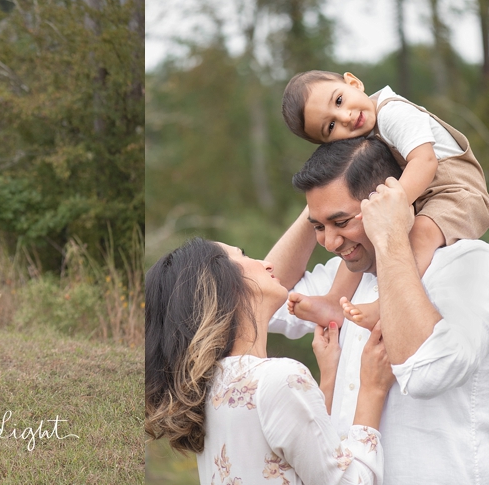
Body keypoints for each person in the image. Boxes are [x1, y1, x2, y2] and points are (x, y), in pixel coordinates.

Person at [267, 136, 489, 484]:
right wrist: (317, 208)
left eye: (341, 222)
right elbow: (261, 299)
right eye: (319, 228)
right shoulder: (350, 277)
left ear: (385, 201)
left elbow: (428, 371)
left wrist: (390, 234)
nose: (330, 243)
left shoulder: (467, 263)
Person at [145, 237, 395, 485]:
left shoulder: (206, 388)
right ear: (223, 284)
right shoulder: (279, 378)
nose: (267, 263)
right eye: (243, 256)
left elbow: (309, 454)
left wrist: (328, 377)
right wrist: (372, 389)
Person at [280, 70, 489, 329]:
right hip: (423, 196)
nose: (345, 117)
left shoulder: (393, 113)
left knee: (418, 234)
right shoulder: (366, 130)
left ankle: (385, 305)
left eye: (339, 101)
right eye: (331, 126)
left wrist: (390, 212)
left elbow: (424, 161)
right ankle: (335, 300)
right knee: (361, 236)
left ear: (354, 82)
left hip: (458, 193)